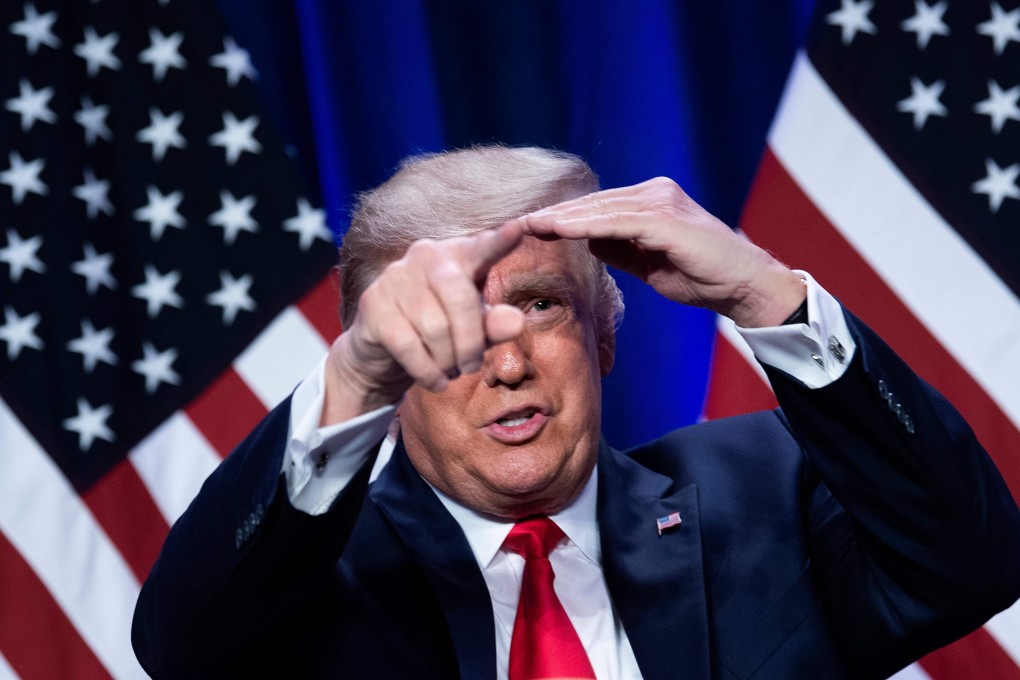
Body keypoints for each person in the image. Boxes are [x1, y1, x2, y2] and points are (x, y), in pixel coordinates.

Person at [133, 145, 1020, 679]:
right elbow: (187, 653)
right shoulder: (319, 572)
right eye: (454, 325)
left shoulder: (770, 490)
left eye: (543, 306)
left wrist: (765, 293)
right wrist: (353, 379)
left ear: (604, 336)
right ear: (394, 365)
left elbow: (974, 560)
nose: (508, 361)